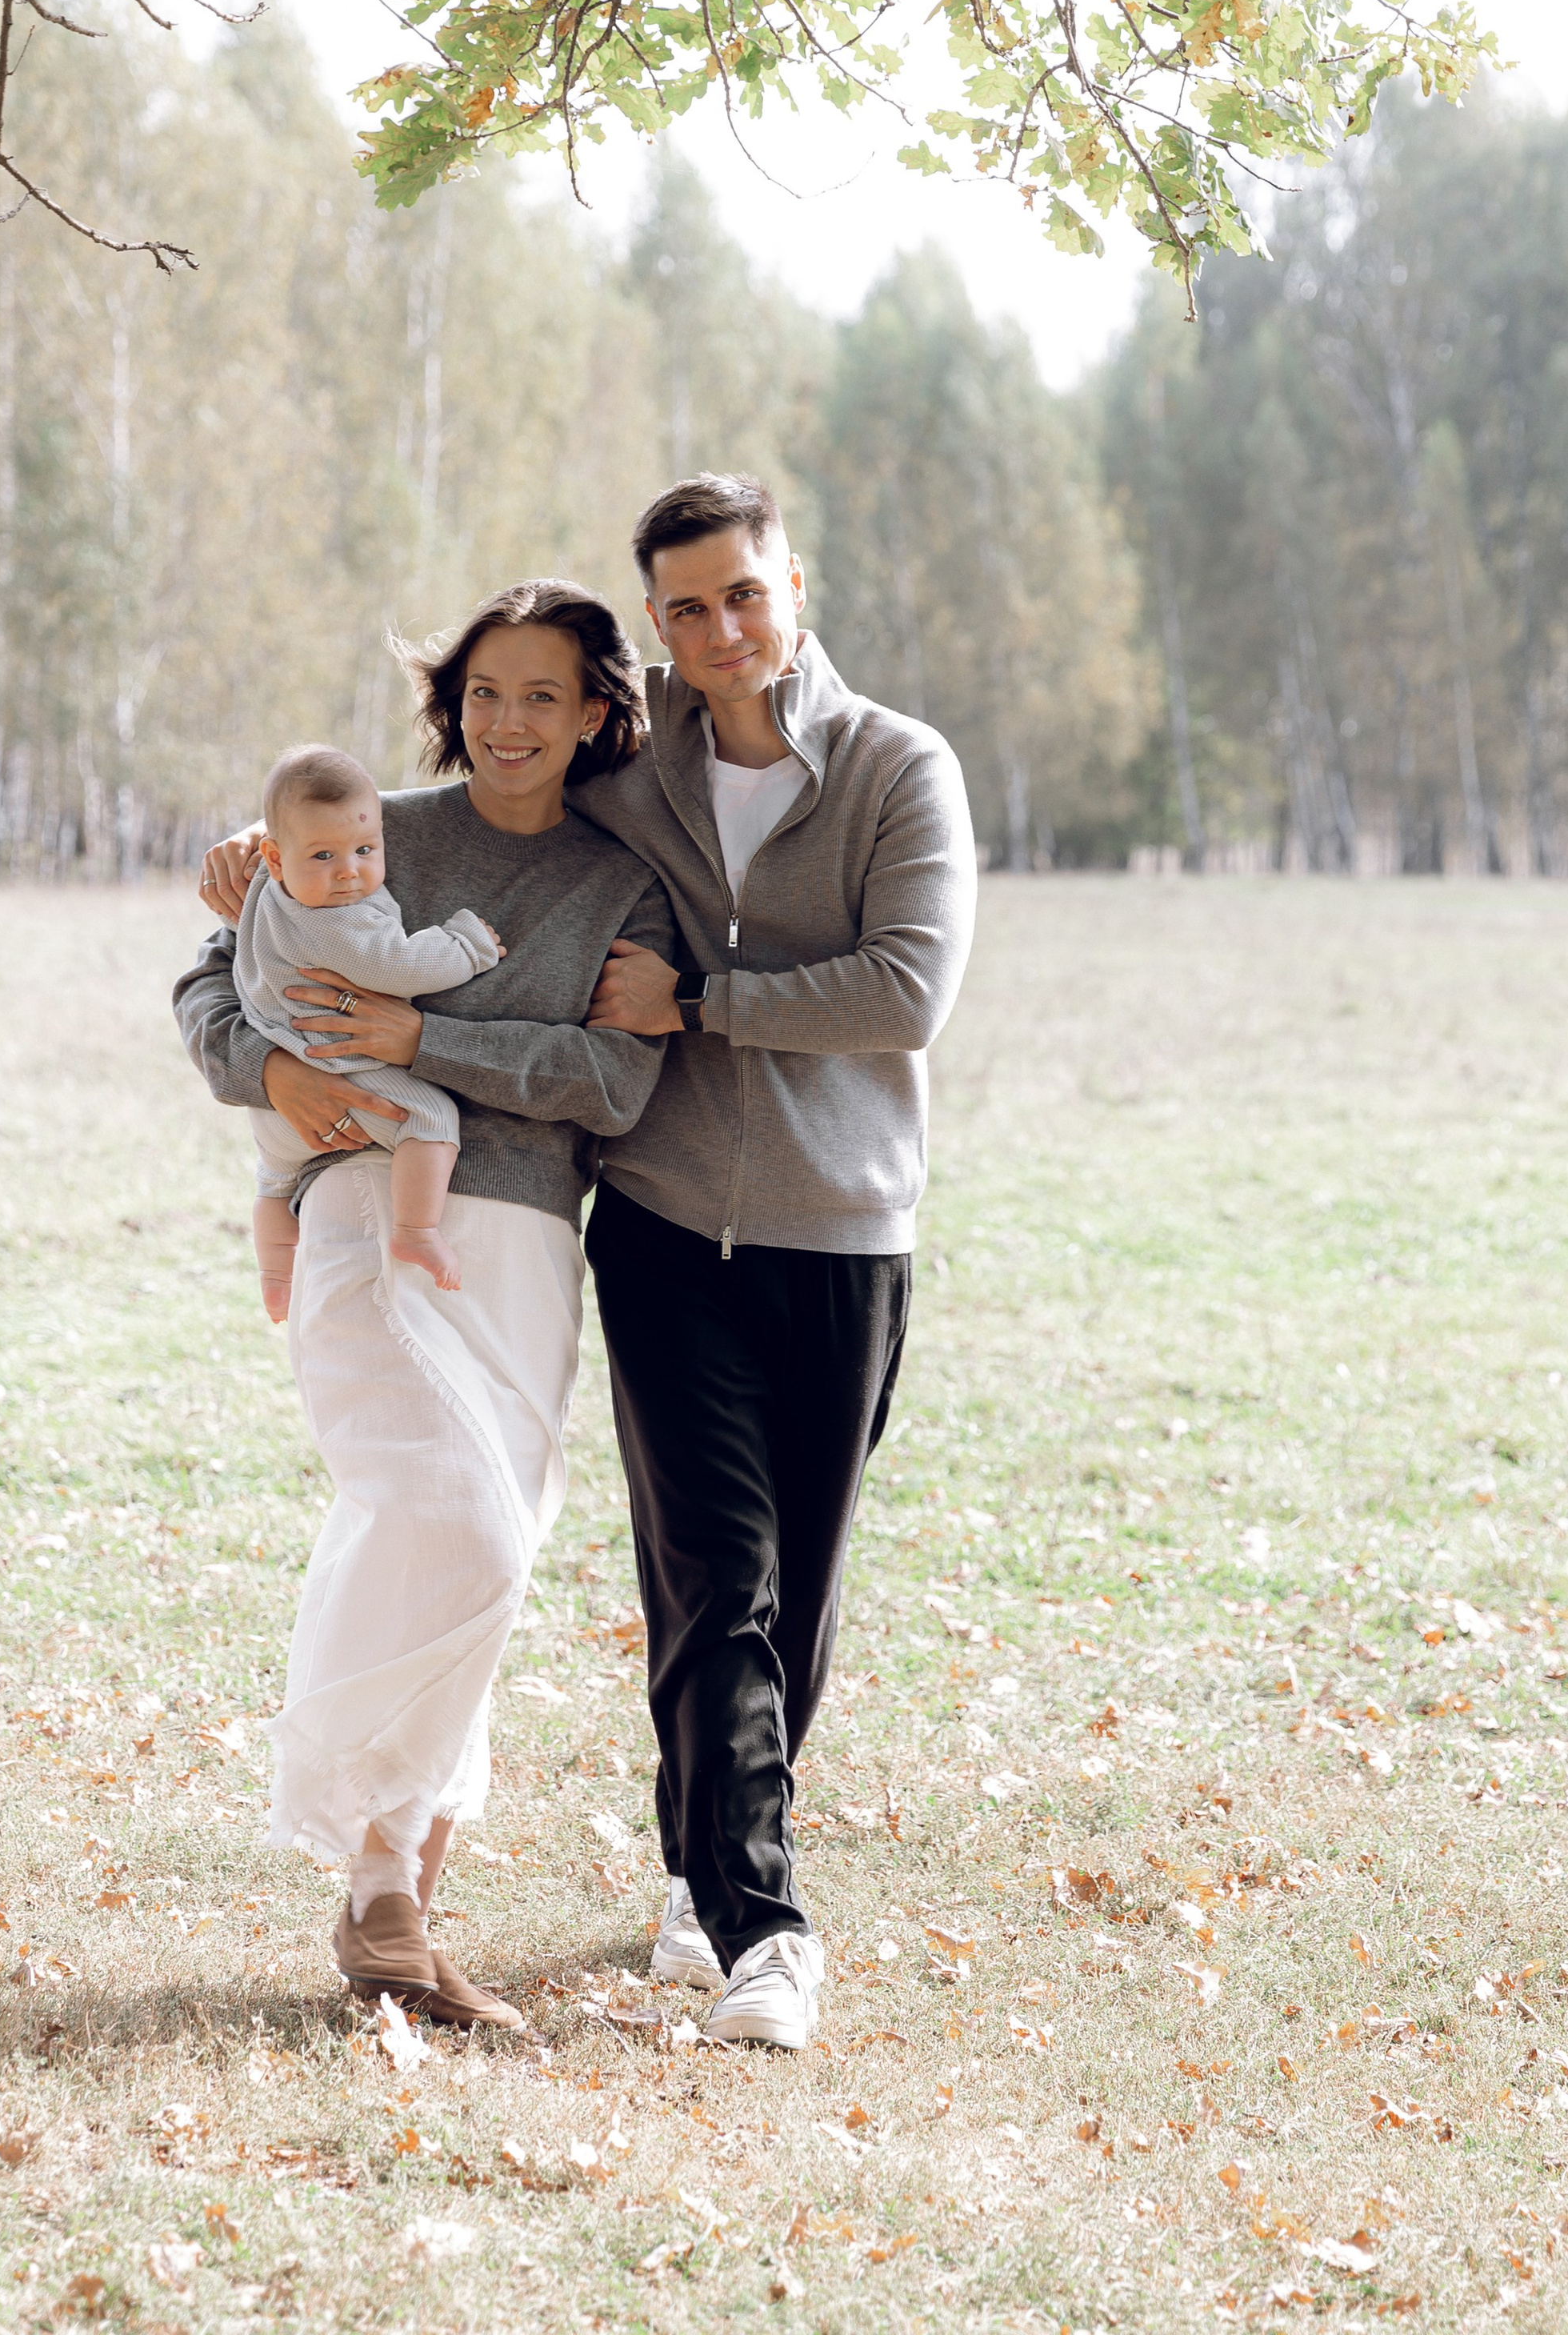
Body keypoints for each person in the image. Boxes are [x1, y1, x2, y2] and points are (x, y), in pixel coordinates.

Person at [177, 581, 676, 2029]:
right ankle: (365, 1851)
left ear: (594, 715)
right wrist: (279, 1077)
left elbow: (615, 1082)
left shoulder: (618, 883)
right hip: (365, 1210)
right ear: (450, 705)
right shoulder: (359, 832)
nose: (506, 721)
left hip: (528, 1242)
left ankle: (396, 1901)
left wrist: (426, 1037)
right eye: (483, 693)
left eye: (542, 695)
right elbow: (213, 997)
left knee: (496, 1551)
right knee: (451, 1520)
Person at [569, 473, 977, 2053]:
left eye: (743, 593)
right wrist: (290, 840)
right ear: (659, 631)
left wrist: (702, 1001)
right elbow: (494, 801)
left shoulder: (894, 771)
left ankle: (700, 1865)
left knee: (792, 1594)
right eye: (685, 608)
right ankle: (764, 1926)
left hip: (840, 1234)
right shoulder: (631, 779)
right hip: (663, 1227)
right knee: (709, 1584)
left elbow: (904, 990)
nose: (721, 630)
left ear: (794, 583)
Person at [237, 743, 506, 1313]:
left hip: (273, 1097)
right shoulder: (337, 923)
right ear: (275, 856)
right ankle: (416, 1230)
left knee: (274, 1182)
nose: (349, 872)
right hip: (334, 1072)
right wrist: (468, 944)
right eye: (323, 856)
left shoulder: (267, 888)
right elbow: (401, 967)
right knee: (431, 1118)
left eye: (364, 848)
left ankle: (274, 1277)